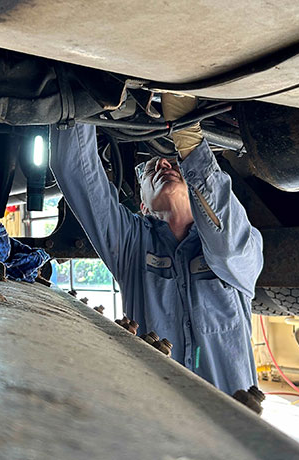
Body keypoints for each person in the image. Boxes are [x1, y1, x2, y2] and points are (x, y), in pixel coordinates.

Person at [49, 94, 263, 395]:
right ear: (143, 206)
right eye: (150, 171)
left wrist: (189, 142)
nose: (163, 162)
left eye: (172, 163)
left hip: (216, 424)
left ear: (196, 190)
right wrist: (84, 94)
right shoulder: (132, 245)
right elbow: (75, 170)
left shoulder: (243, 244)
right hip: (189, 419)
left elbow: (228, 246)